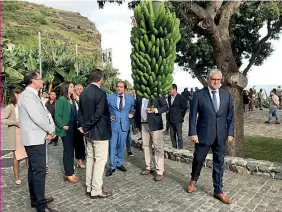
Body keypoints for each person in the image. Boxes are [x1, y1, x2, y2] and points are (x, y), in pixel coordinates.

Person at [188, 68, 234, 204]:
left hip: (221, 135)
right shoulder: (199, 95)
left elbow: (230, 116)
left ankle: (218, 190)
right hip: (203, 135)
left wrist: (230, 132)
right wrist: (193, 133)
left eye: (218, 80)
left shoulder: (226, 95)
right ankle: (193, 180)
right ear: (208, 80)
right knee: (198, 159)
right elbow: (192, 116)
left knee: (219, 163)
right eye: (213, 79)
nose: (216, 82)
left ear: (221, 81)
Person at [18, 71, 57, 212]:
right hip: (34, 139)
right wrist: (50, 130)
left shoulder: (32, 95)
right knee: (39, 171)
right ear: (33, 80)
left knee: (34, 171)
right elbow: (38, 117)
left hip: (35, 137)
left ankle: (36, 199)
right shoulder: (28, 95)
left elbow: (43, 114)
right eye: (41, 79)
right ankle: (41, 206)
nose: (43, 81)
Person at [78, 69, 113, 198]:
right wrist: (86, 126)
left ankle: (89, 186)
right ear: (100, 79)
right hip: (100, 133)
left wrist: (84, 127)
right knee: (100, 161)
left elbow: (80, 113)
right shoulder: (101, 93)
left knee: (90, 159)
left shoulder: (83, 93)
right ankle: (96, 189)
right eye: (103, 78)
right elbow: (99, 113)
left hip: (88, 133)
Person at [135, 96, 168, 181]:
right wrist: (137, 125)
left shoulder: (157, 94)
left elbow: (165, 106)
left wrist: (155, 110)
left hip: (155, 124)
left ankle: (159, 171)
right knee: (145, 146)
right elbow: (137, 111)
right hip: (143, 124)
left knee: (158, 147)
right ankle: (148, 167)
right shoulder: (140, 96)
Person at [106, 81, 135, 176]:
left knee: (121, 146)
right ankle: (112, 166)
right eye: (117, 86)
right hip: (113, 125)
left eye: (121, 87)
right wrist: (108, 116)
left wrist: (132, 113)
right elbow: (103, 109)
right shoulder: (110, 97)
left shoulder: (130, 98)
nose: (119, 88)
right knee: (112, 146)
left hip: (124, 126)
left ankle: (119, 163)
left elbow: (133, 108)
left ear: (125, 89)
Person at [2, 88, 28, 185]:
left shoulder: (23, 105)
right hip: (15, 133)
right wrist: (15, 123)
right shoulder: (10, 106)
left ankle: (30, 173)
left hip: (25, 132)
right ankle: (16, 177)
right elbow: (2, 119)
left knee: (28, 154)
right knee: (16, 156)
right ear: (16, 94)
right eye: (21, 94)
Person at [55, 81, 78, 183]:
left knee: (71, 150)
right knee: (68, 151)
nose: (73, 88)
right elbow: (57, 115)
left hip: (74, 126)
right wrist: (63, 126)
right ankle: (68, 173)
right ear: (66, 88)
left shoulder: (72, 100)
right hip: (67, 127)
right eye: (72, 87)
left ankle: (71, 171)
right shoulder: (62, 99)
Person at [168, 84, 187, 149]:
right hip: (170, 119)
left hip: (178, 120)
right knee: (172, 136)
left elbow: (184, 108)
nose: (169, 91)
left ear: (175, 89)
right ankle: (174, 148)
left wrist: (181, 116)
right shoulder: (169, 97)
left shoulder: (181, 97)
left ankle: (180, 149)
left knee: (179, 136)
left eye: (170, 89)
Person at [73, 84, 86, 169]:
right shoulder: (72, 100)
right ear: (75, 90)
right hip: (76, 124)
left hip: (85, 123)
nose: (80, 90)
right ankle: (79, 160)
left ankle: (83, 158)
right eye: (78, 89)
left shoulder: (85, 99)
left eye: (81, 89)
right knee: (79, 143)